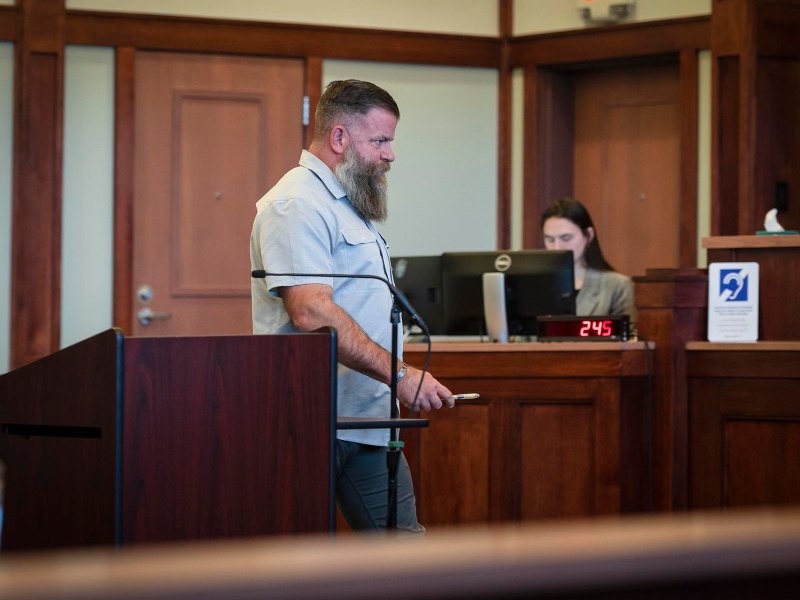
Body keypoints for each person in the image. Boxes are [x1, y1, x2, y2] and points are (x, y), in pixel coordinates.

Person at [250, 79, 454, 535]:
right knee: (301, 562)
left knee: (403, 550)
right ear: (339, 137)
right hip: (310, 420)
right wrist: (400, 375)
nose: (390, 154)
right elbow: (311, 313)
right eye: (379, 141)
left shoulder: (344, 200)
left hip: (367, 417)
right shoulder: (297, 203)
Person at [541, 197, 636, 320]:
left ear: (588, 235)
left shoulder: (617, 286)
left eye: (566, 238)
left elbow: (627, 331)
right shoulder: (534, 286)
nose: (557, 247)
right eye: (550, 239)